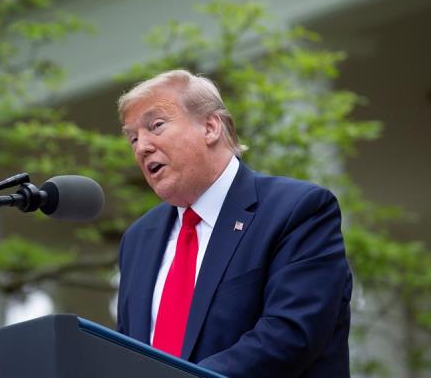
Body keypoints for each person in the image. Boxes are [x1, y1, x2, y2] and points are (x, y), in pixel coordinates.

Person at [116, 69, 352, 377]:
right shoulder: (138, 239)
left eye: (156, 126)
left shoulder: (297, 210)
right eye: (133, 137)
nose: (141, 147)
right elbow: (124, 354)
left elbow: (290, 334)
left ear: (211, 127)